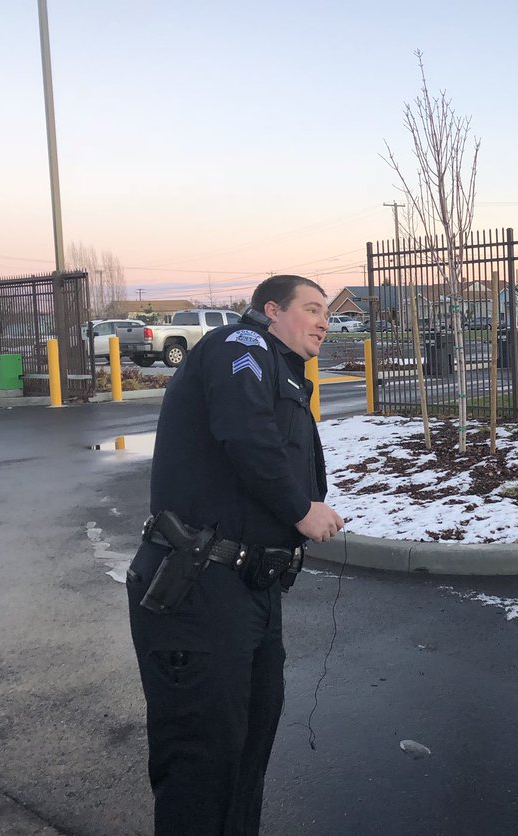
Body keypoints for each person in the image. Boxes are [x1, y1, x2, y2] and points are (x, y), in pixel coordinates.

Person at [126, 274, 344, 835]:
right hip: (200, 587)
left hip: (248, 587)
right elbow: (246, 435)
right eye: (312, 308)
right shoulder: (240, 348)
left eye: (328, 311)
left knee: (247, 749)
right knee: (203, 759)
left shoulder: (282, 371)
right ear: (271, 310)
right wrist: (301, 509)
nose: (325, 320)